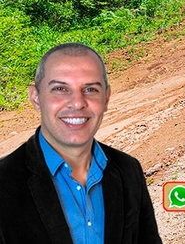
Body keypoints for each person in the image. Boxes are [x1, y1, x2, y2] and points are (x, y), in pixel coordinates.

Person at [0, 43, 162, 243]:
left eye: (90, 89)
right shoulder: (4, 181)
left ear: (106, 98)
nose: (77, 103)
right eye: (60, 89)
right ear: (36, 97)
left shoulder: (129, 170)